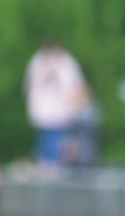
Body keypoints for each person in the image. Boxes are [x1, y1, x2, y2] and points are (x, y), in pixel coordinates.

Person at [23, 37, 88, 168]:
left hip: (61, 117)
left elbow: (75, 88)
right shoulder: (38, 63)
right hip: (46, 116)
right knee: (48, 150)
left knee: (58, 150)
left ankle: (55, 171)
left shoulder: (66, 63)